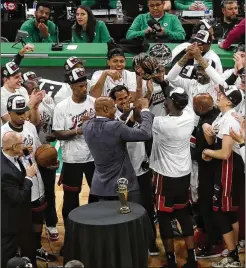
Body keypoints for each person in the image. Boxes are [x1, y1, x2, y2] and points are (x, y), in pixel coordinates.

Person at [1, 95, 57, 262]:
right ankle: (21, 253)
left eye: (24, 112)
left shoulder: (30, 127)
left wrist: (47, 162)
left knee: (37, 219)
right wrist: (22, 152)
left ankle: (35, 247)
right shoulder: (3, 133)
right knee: (22, 224)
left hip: (36, 180)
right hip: (18, 185)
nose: (22, 116)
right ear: (9, 112)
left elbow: (39, 152)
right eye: (18, 113)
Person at [150, 87, 198, 268]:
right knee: (183, 214)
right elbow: (175, 99)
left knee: (163, 216)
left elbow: (143, 117)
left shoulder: (161, 122)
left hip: (165, 176)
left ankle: (171, 259)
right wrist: (164, 83)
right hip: (183, 175)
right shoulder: (189, 117)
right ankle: (192, 258)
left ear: (169, 103)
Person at [109, 85, 159, 255]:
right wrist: (137, 112)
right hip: (123, 174)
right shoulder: (112, 118)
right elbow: (126, 127)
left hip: (142, 169)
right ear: (114, 101)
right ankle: (126, 243)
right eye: (120, 99)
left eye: (126, 97)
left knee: (148, 207)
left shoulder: (134, 110)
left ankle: (150, 242)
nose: (124, 101)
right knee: (124, 208)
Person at [202, 85, 243, 268]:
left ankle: (233, 256)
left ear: (229, 101)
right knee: (229, 212)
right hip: (225, 167)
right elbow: (214, 139)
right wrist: (206, 130)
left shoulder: (230, 120)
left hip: (229, 167)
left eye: (222, 94)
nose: (218, 95)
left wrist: (207, 150)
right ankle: (233, 251)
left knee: (220, 211)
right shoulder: (222, 116)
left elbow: (225, 153)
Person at [82, 96, 153, 202]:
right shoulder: (116, 127)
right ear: (106, 109)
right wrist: (145, 109)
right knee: (129, 216)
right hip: (123, 185)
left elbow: (108, 128)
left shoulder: (86, 126)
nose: (115, 109)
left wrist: (124, 115)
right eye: (112, 107)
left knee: (107, 217)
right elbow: (145, 134)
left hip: (100, 187)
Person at [52, 68, 95, 231]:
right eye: (81, 86)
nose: (85, 89)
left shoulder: (94, 102)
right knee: (70, 198)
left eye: (86, 85)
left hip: (93, 158)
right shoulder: (62, 107)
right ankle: (71, 233)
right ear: (72, 87)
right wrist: (78, 130)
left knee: (97, 195)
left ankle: (93, 227)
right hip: (72, 159)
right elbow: (58, 133)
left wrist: (92, 123)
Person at [23, 79, 59, 241]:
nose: (37, 92)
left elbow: (41, 126)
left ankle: (51, 224)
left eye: (37, 88)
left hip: (43, 152)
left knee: (49, 193)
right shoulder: (20, 108)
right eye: (32, 90)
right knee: (29, 197)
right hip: (28, 160)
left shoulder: (48, 103)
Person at [192, 93, 223, 258]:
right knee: (204, 206)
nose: (192, 108)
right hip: (208, 170)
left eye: (194, 105)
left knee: (208, 206)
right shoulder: (215, 114)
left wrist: (201, 151)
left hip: (209, 172)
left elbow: (210, 144)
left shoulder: (207, 122)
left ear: (201, 108)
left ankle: (215, 244)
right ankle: (206, 233)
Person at [1, 131, 37, 268]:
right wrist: (28, 177)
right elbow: (18, 198)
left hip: (22, 216)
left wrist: (21, 155)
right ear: (15, 146)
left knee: (28, 246)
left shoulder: (8, 154)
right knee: (7, 254)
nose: (24, 146)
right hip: (10, 220)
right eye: (22, 143)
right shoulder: (4, 172)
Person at [21, 56, 92, 104]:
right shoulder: (62, 94)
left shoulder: (90, 82)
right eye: (78, 68)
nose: (82, 69)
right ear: (70, 72)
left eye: (82, 66)